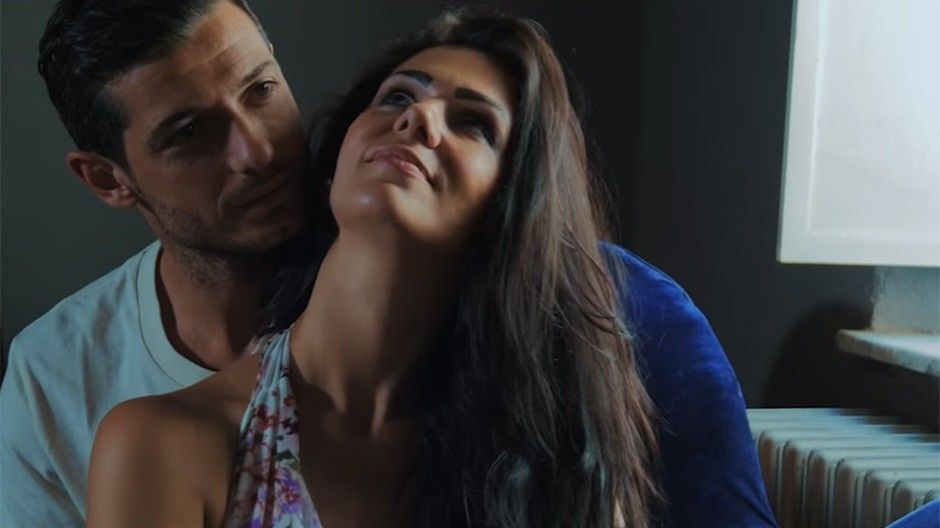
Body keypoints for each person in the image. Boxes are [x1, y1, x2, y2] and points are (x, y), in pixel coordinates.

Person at [87, 11, 661, 528]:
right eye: (397, 97)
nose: (419, 117)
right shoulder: (166, 444)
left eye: (473, 124)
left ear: (509, 212)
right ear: (334, 165)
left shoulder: (557, 469)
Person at [0, 1, 309, 524]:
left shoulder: (404, 276)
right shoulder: (51, 379)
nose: (256, 152)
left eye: (260, 90)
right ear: (108, 180)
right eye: (188, 133)